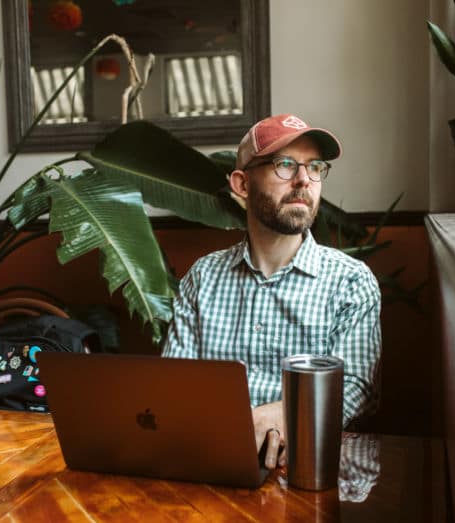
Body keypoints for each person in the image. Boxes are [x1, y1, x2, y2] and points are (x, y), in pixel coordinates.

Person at [162, 114, 381, 470]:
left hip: (307, 468)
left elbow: (357, 389)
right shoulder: (203, 277)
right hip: (211, 461)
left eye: (314, 167)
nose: (303, 181)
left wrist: (289, 414)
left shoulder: (350, 281)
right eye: (284, 165)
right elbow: (174, 383)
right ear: (242, 184)